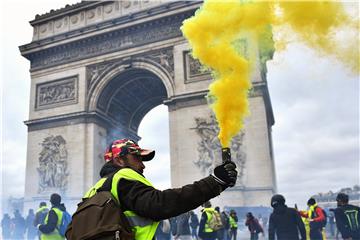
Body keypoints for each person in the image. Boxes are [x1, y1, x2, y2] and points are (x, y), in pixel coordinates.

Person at [82, 138, 237, 240]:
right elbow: (161, 204)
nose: (142, 165)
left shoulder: (94, 189)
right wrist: (214, 183)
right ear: (119, 160)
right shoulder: (124, 176)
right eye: (137, 157)